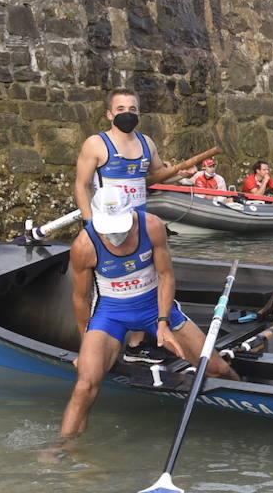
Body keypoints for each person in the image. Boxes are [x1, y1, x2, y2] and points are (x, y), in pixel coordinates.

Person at [53, 187, 239, 444]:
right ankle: (62, 449)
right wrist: (85, 345)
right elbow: (81, 299)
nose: (115, 235)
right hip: (111, 315)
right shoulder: (84, 246)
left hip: (155, 308)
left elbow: (166, 276)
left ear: (131, 213)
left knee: (219, 370)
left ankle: (244, 414)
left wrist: (163, 323)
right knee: (85, 385)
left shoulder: (152, 226)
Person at [74, 87, 178, 219]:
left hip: (140, 221)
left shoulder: (147, 142)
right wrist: (89, 223)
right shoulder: (95, 144)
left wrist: (183, 174)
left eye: (132, 109)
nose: (127, 114)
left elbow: (160, 175)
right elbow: (81, 185)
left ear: (138, 113)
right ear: (109, 114)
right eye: (120, 109)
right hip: (108, 222)